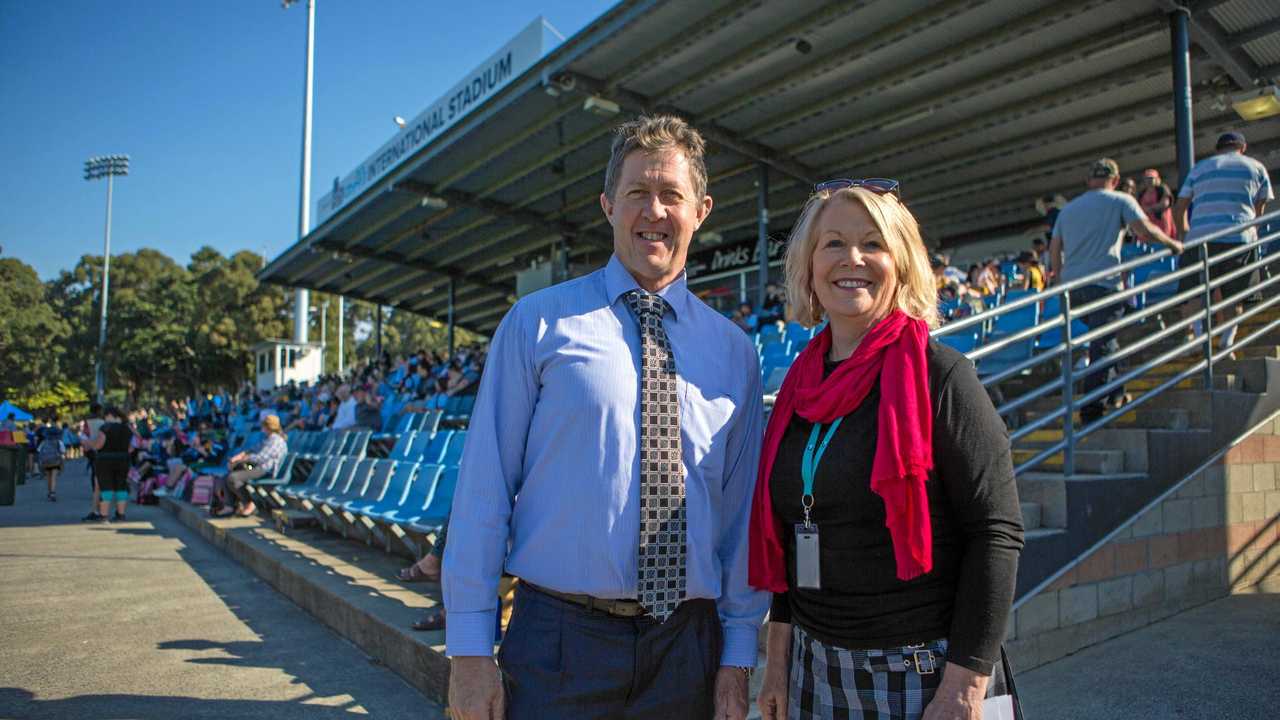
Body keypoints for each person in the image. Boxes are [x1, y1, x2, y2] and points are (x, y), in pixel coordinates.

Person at [444, 115, 767, 720]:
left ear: (702, 209)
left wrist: (738, 655)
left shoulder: (733, 351)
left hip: (686, 648)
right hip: (557, 643)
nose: (654, 210)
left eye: (672, 194)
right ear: (607, 205)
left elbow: (741, 521)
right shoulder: (537, 323)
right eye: (637, 192)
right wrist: (469, 651)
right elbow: (484, 490)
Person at [748, 180, 1026, 720]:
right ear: (808, 267)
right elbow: (791, 543)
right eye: (833, 243)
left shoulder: (941, 376)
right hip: (813, 667)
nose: (852, 258)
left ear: (901, 264)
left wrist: (965, 687)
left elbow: (996, 532)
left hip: (921, 676)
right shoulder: (798, 391)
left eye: (872, 243)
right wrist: (777, 665)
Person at [1050, 158, 1182, 423]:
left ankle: (1116, 394)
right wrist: (1173, 244)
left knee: (1106, 341)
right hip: (1104, 284)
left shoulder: (1069, 209)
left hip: (1074, 289)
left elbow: (1055, 247)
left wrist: (1059, 281)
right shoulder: (1120, 200)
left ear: (1089, 180)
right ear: (1116, 179)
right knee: (1103, 346)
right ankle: (1091, 410)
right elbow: (1144, 230)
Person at [1175, 131, 1273, 352]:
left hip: (1200, 238)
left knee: (1193, 291)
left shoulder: (1200, 168)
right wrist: (1252, 232)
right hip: (1238, 237)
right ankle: (1226, 340)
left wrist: (1184, 234)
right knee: (1234, 293)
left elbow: (1180, 207)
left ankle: (1199, 336)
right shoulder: (1256, 167)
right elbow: (1260, 209)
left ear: (1217, 149)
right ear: (1243, 147)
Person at [215, 414, 288, 518]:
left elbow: (261, 458)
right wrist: (241, 455)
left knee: (233, 478)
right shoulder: (268, 438)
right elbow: (253, 449)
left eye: (263, 426)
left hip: (265, 470)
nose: (262, 428)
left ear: (268, 427)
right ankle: (229, 506)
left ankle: (249, 503)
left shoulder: (276, 440)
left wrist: (242, 459)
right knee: (227, 476)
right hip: (257, 468)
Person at [83, 406, 133, 522]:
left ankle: (104, 515)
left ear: (110, 415)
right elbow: (131, 448)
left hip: (105, 459)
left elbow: (99, 445)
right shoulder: (127, 429)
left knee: (106, 486)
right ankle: (121, 514)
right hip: (123, 459)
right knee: (121, 486)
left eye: (105, 416)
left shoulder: (105, 428)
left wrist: (90, 444)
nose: (105, 418)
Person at [1137, 168, 1175, 240]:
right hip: (1147, 225)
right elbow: (1139, 208)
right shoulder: (1142, 193)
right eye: (1147, 178)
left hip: (1161, 224)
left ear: (1157, 179)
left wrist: (1149, 209)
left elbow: (1165, 204)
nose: (1149, 181)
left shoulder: (1162, 189)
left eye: (1151, 178)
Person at [37, 417, 65, 502]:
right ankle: (53, 492)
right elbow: (63, 451)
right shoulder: (58, 441)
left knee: (48, 477)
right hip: (55, 461)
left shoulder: (44, 442)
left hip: (46, 461)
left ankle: (49, 492)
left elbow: (39, 450)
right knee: (53, 477)